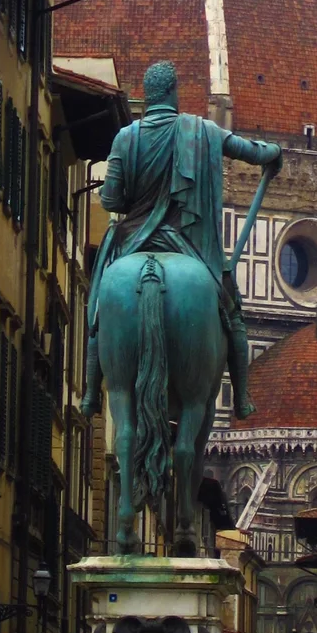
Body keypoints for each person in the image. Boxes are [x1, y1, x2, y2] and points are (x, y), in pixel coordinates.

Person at [82, 60, 281, 420]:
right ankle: (242, 397)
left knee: (98, 313)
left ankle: (89, 392)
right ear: (174, 93)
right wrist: (274, 154)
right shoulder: (202, 131)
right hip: (188, 245)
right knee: (233, 314)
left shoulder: (126, 138)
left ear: (147, 93)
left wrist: (136, 200)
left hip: (134, 242)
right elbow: (251, 152)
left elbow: (110, 200)